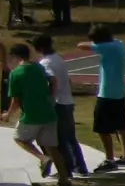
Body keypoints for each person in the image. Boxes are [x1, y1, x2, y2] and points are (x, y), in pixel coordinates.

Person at [6, 42, 70, 186]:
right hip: (48, 112)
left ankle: (42, 158)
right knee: (52, 147)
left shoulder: (16, 74)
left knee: (19, 138)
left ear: (16, 57)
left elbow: (16, 100)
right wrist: (52, 97)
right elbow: (52, 81)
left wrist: (8, 115)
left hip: (31, 115)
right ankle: (64, 179)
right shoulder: (39, 67)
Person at [33, 33, 89, 178]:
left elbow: (52, 81)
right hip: (67, 101)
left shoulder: (45, 63)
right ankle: (80, 167)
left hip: (58, 103)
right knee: (70, 138)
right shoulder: (58, 58)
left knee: (59, 139)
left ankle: (67, 168)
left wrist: (50, 98)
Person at [86, 22, 125, 171]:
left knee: (102, 128)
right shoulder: (118, 44)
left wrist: (95, 44)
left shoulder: (107, 47)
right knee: (121, 125)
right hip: (118, 91)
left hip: (107, 93)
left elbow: (81, 45)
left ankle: (109, 159)